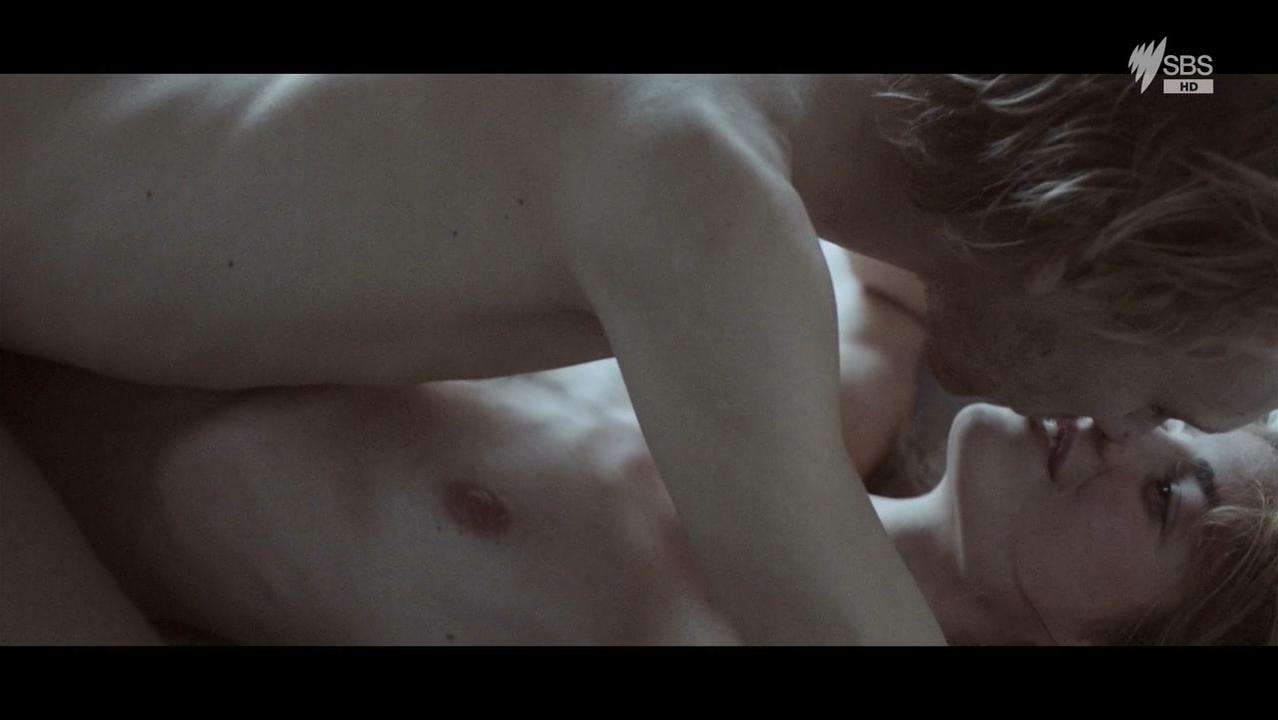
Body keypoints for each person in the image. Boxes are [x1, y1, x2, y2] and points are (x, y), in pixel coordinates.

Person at [3, 75, 1276, 642]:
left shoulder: (771, 142)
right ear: (1103, 265)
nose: (1124, 420)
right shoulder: (707, 208)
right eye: (1165, 393)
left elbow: (1168, 65)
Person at [4, 245, 1274, 644]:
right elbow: (1138, 80)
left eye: (1169, 491)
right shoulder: (851, 341)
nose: (1124, 423)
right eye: (1166, 405)